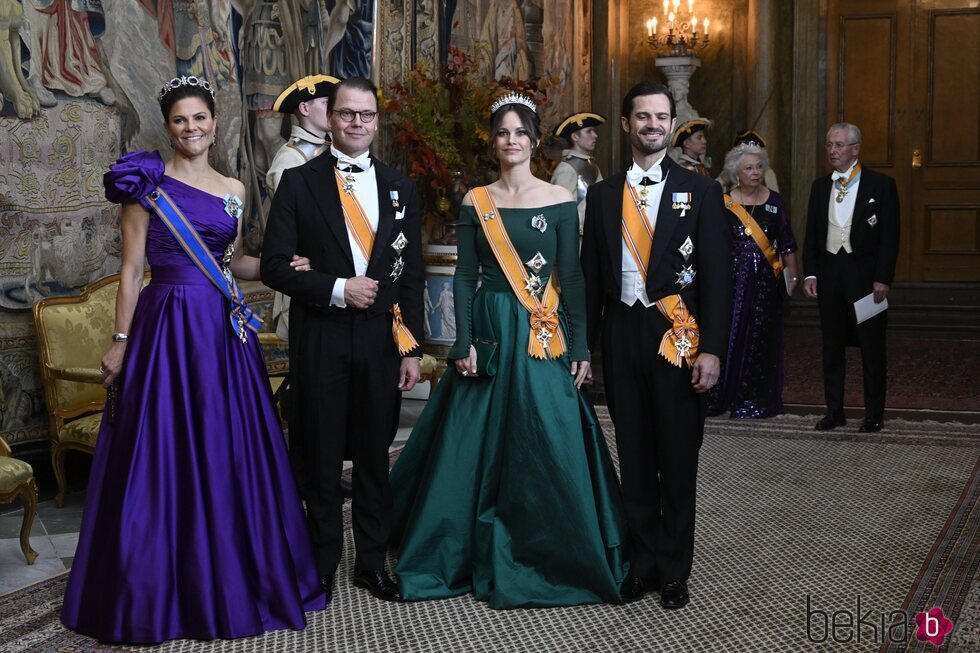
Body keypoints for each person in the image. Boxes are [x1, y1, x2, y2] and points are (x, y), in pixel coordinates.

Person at [60, 76, 325, 644]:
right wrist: (121, 340)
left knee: (227, 445)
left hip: (221, 330)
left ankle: (232, 570)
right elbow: (132, 272)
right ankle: (158, 584)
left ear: (214, 121)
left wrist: (284, 267)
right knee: (164, 448)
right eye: (180, 120)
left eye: (199, 118)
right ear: (168, 126)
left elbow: (234, 262)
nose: (191, 129)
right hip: (165, 326)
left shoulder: (233, 187)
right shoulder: (145, 186)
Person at [390, 92, 628, 608]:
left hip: (546, 333)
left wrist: (583, 344)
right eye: (503, 133)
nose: (512, 141)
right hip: (494, 328)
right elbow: (467, 276)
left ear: (536, 141)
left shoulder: (561, 199)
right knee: (472, 443)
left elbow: (572, 277)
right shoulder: (477, 200)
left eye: (521, 132)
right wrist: (464, 340)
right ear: (494, 143)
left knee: (552, 433)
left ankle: (559, 550)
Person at [261, 76, 425, 603]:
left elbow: (412, 275)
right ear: (330, 118)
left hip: (381, 341)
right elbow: (273, 265)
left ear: (377, 121)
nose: (358, 123)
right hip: (323, 337)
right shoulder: (299, 182)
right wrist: (335, 288)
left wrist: (412, 348)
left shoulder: (401, 187)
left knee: (376, 458)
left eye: (368, 115)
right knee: (322, 455)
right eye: (348, 114)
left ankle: (372, 562)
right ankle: (323, 563)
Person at [580, 81, 731, 609]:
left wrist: (711, 349)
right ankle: (642, 564)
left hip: (678, 335)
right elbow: (589, 276)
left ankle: (674, 570)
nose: (652, 125)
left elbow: (717, 277)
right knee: (636, 455)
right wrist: (584, 347)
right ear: (626, 125)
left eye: (661, 117)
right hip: (622, 335)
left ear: (671, 124)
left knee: (678, 455)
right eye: (642, 117)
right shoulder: (602, 195)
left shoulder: (704, 191)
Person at [803, 122, 899, 433]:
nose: (832, 150)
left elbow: (890, 237)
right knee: (831, 346)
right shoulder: (820, 187)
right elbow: (812, 235)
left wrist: (883, 277)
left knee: (872, 347)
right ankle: (835, 411)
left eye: (839, 145)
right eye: (830, 144)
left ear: (855, 149)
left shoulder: (881, 185)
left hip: (866, 279)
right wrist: (811, 273)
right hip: (830, 275)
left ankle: (873, 413)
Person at [707, 143, 800, 418]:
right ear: (736, 172)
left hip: (765, 287)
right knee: (730, 336)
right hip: (732, 283)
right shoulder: (723, 202)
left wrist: (792, 276)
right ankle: (723, 396)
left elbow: (787, 243)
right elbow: (713, 244)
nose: (756, 172)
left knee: (761, 339)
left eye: (759, 167)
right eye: (749, 168)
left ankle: (754, 399)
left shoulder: (775, 202)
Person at [267, 73, 340, 341]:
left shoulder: (335, 154)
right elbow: (289, 226)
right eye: (325, 103)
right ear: (305, 108)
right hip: (304, 273)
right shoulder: (290, 159)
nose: (333, 111)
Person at [550, 111, 606, 237]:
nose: (595, 135)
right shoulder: (566, 168)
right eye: (589, 131)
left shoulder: (591, 164)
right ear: (575, 137)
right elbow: (562, 211)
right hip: (578, 239)